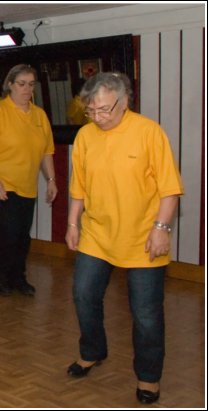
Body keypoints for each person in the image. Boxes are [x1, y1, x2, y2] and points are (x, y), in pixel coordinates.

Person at [65, 72, 183, 404]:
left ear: (125, 101)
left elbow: (170, 190)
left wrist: (161, 229)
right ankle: (92, 352)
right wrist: (73, 224)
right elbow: (80, 188)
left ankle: (148, 377)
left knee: (146, 313)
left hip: (143, 238)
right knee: (83, 295)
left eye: (103, 109)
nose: (98, 117)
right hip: (97, 234)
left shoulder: (148, 132)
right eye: (91, 111)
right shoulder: (86, 136)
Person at [0, 64, 57, 297]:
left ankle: (18, 277)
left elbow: (46, 152)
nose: (26, 89)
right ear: (10, 85)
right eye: (21, 84)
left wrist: (51, 180)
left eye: (31, 84)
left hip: (26, 185)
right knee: (8, 230)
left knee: (22, 235)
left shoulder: (40, 115)